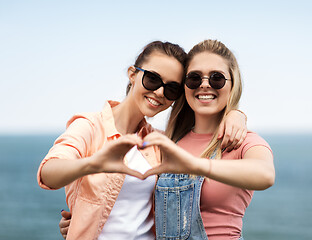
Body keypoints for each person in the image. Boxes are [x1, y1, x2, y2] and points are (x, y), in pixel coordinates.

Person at [38, 41, 248, 240]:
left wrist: (235, 114)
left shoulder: (160, 142)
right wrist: (93, 164)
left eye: (171, 89)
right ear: (132, 74)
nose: (158, 92)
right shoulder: (90, 127)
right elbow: (48, 173)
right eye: (152, 79)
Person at [140, 39, 275, 239]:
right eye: (194, 78)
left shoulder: (242, 141)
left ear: (233, 84)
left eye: (216, 78)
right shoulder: (167, 141)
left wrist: (195, 165)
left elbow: (265, 175)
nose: (204, 84)